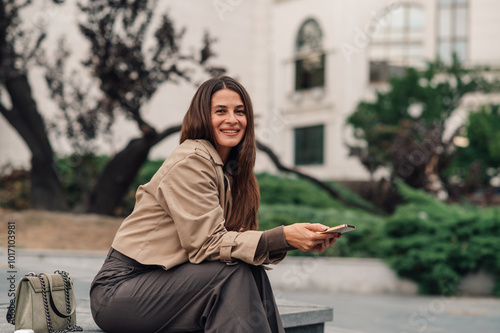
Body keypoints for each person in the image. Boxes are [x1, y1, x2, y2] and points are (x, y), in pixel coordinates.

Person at [89, 76, 341, 333]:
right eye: (221, 111)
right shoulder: (190, 161)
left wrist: (294, 239)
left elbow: (231, 246)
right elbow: (207, 244)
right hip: (120, 291)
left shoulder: (230, 172)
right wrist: (283, 236)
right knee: (232, 274)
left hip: (167, 285)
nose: (232, 119)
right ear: (202, 117)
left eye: (240, 112)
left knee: (250, 271)